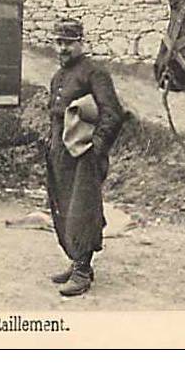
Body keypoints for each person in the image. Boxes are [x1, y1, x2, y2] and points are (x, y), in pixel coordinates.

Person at [45, 18, 128, 297]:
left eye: (68, 43)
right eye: (58, 42)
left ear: (81, 42)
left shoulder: (94, 73)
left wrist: (97, 148)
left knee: (83, 209)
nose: (62, 48)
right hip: (60, 152)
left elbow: (113, 113)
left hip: (83, 155)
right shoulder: (58, 76)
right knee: (64, 208)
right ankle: (77, 261)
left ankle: (82, 271)